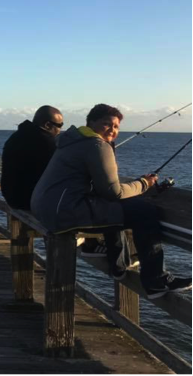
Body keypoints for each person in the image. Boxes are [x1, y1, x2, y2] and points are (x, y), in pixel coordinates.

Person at [31, 104, 192, 299]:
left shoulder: (71, 140)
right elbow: (113, 192)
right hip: (64, 214)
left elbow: (102, 191)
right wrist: (144, 184)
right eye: (106, 124)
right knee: (144, 212)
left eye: (116, 127)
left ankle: (117, 265)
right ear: (91, 123)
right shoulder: (96, 145)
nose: (112, 130)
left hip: (46, 209)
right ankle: (156, 281)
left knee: (116, 209)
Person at [1, 106, 63, 210]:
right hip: (31, 200)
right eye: (60, 125)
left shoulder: (15, 137)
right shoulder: (46, 143)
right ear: (47, 125)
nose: (60, 130)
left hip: (12, 198)